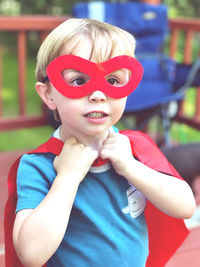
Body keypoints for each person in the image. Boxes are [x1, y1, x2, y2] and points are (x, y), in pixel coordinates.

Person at [5, 18, 195, 267]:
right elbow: (31, 254)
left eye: (113, 81)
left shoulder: (135, 147)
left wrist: (130, 167)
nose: (97, 94)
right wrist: (68, 177)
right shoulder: (38, 166)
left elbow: (185, 206)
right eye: (78, 81)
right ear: (48, 94)